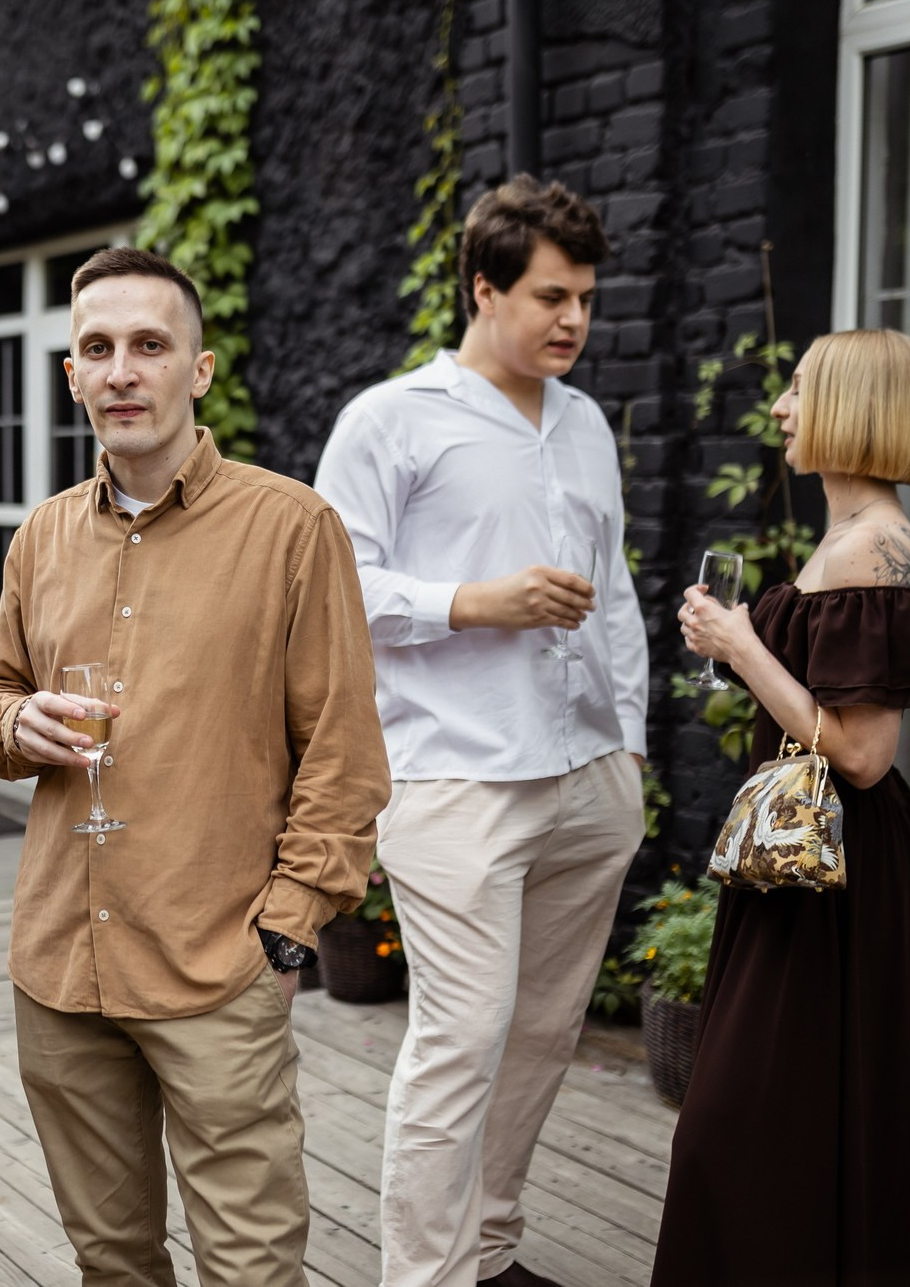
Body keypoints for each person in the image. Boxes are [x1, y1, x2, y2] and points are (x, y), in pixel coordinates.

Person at [0, 246, 391, 1286]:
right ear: (70, 374)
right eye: (97, 349)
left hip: (217, 966)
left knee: (249, 1265)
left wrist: (287, 937)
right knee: (110, 1261)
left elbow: (342, 758)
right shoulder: (38, 538)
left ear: (196, 370)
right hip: (60, 969)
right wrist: (17, 721)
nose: (122, 370)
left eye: (149, 346)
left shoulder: (292, 528)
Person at [314, 174, 649, 1287]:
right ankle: (423, 1276)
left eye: (586, 299)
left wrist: (630, 746)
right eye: (550, 296)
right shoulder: (389, 419)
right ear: (481, 288)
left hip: (585, 775)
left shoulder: (585, 421)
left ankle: (488, 1252)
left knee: (545, 1036)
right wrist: (475, 602)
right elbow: (331, 592)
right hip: (455, 780)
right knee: (457, 1044)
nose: (572, 320)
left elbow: (614, 595)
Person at [655, 328, 910, 1286]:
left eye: (798, 389)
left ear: (853, 406)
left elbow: (865, 755)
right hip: (799, 867)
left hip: (840, 872)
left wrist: (743, 646)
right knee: (781, 1118)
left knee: (745, 1120)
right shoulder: (847, 539)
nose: (783, 409)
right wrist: (737, 640)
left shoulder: (879, 544)